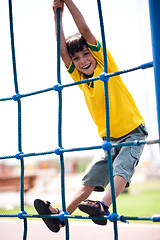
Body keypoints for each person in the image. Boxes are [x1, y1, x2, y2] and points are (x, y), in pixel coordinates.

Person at [34, 0, 148, 232]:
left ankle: (104, 206)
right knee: (89, 180)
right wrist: (57, 16)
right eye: (77, 59)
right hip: (108, 140)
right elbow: (62, 51)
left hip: (132, 131)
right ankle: (61, 215)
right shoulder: (81, 80)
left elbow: (85, 31)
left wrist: (68, 2)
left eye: (86, 54)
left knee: (122, 169)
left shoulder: (105, 66)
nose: (83, 61)